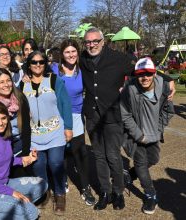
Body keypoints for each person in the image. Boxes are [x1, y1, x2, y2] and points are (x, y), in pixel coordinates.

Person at [79, 27, 135, 210]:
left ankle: (118, 192)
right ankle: (105, 192)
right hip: (92, 115)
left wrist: (167, 80)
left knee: (112, 155)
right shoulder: (82, 58)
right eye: (88, 42)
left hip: (112, 114)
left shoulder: (118, 58)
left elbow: (140, 72)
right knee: (100, 156)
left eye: (95, 41)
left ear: (103, 41)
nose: (92, 44)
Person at [20, 50, 72, 215]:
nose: (37, 65)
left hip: (55, 132)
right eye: (34, 62)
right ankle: (44, 192)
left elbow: (65, 102)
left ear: (45, 64)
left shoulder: (53, 80)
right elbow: (16, 104)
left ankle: (60, 194)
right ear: (29, 65)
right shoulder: (22, 84)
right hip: (34, 135)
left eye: (41, 62)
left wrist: (68, 127)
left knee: (55, 163)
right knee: (39, 165)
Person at [120, 57, 174, 215]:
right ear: (136, 74)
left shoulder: (163, 87)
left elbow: (168, 110)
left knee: (154, 159)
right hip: (135, 136)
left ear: (155, 73)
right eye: (141, 74)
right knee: (141, 165)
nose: (145, 77)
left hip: (154, 134)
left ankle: (130, 174)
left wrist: (159, 128)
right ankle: (151, 195)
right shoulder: (129, 89)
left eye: (148, 73)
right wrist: (139, 135)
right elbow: (125, 116)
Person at [0, 101, 47, 220]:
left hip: (6, 183)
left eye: (3, 118)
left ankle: (0, 212)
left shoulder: (6, 136)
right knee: (31, 212)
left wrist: (28, 159)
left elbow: (6, 160)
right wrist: (12, 192)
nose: (0, 123)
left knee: (42, 184)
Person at [52, 39, 96, 206]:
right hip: (57, 115)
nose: (71, 55)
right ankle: (61, 181)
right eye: (67, 52)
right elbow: (34, 73)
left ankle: (85, 187)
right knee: (61, 151)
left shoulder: (83, 69)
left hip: (76, 115)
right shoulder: (54, 69)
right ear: (62, 54)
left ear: (78, 52)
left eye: (73, 51)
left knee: (80, 152)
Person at [0, 69, 31, 177]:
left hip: (19, 143)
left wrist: (26, 154)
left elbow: (26, 128)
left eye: (8, 81)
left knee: (21, 175)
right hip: (0, 146)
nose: (6, 84)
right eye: (1, 82)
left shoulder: (20, 97)